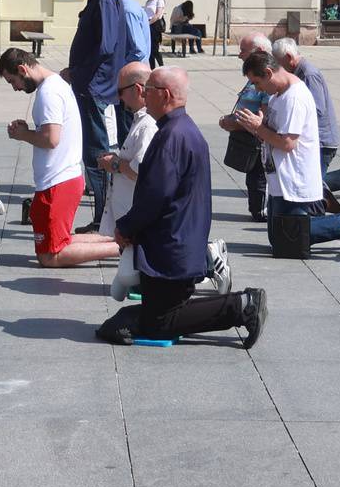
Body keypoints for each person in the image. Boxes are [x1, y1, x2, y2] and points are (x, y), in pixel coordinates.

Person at [98, 66, 266, 347]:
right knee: (158, 316)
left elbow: (154, 196)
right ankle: (241, 305)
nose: (144, 95)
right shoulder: (180, 129)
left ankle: (242, 305)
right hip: (178, 242)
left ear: (163, 95)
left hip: (171, 246)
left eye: (148, 91)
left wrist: (125, 227)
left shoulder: (171, 137)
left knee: (161, 323)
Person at [227, 50, 340, 254]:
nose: (257, 88)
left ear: (269, 73)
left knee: (288, 237)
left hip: (292, 179)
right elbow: (273, 133)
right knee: (279, 237)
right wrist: (253, 125)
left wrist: (258, 127)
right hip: (279, 178)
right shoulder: (279, 95)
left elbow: (287, 143)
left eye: (257, 83)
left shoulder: (293, 98)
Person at [0, 47, 121, 267]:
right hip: (61, 179)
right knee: (58, 243)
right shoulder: (54, 85)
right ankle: (123, 243)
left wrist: (23, 135)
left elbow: (51, 139)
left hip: (58, 182)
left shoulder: (49, 93)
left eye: (12, 81)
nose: (15, 88)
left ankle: (124, 249)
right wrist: (28, 130)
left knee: (50, 256)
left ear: (22, 69)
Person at [63, 0, 142, 227]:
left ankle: (103, 220)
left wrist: (79, 72)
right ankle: (102, 218)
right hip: (92, 84)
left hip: (95, 87)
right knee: (95, 154)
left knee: (98, 156)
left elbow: (105, 46)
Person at [273, 38, 340, 199]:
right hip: (315, 139)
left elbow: (316, 109)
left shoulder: (308, 74)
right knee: (309, 181)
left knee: (311, 184)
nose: (278, 68)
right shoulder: (297, 72)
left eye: (279, 62)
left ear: (289, 57)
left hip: (322, 141)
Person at [222, 34, 273, 220]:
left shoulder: (267, 79)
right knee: (252, 176)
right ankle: (258, 210)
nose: (239, 55)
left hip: (258, 140)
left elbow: (264, 117)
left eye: (243, 50)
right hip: (247, 137)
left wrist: (236, 123)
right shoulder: (254, 76)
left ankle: (262, 211)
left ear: (259, 52)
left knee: (259, 176)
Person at [142, 0, 167, 68]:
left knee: (155, 49)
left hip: (155, 25)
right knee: (149, 49)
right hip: (147, 23)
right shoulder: (148, 1)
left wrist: (148, 24)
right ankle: (152, 68)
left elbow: (157, 14)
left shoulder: (159, 0)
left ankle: (162, 66)